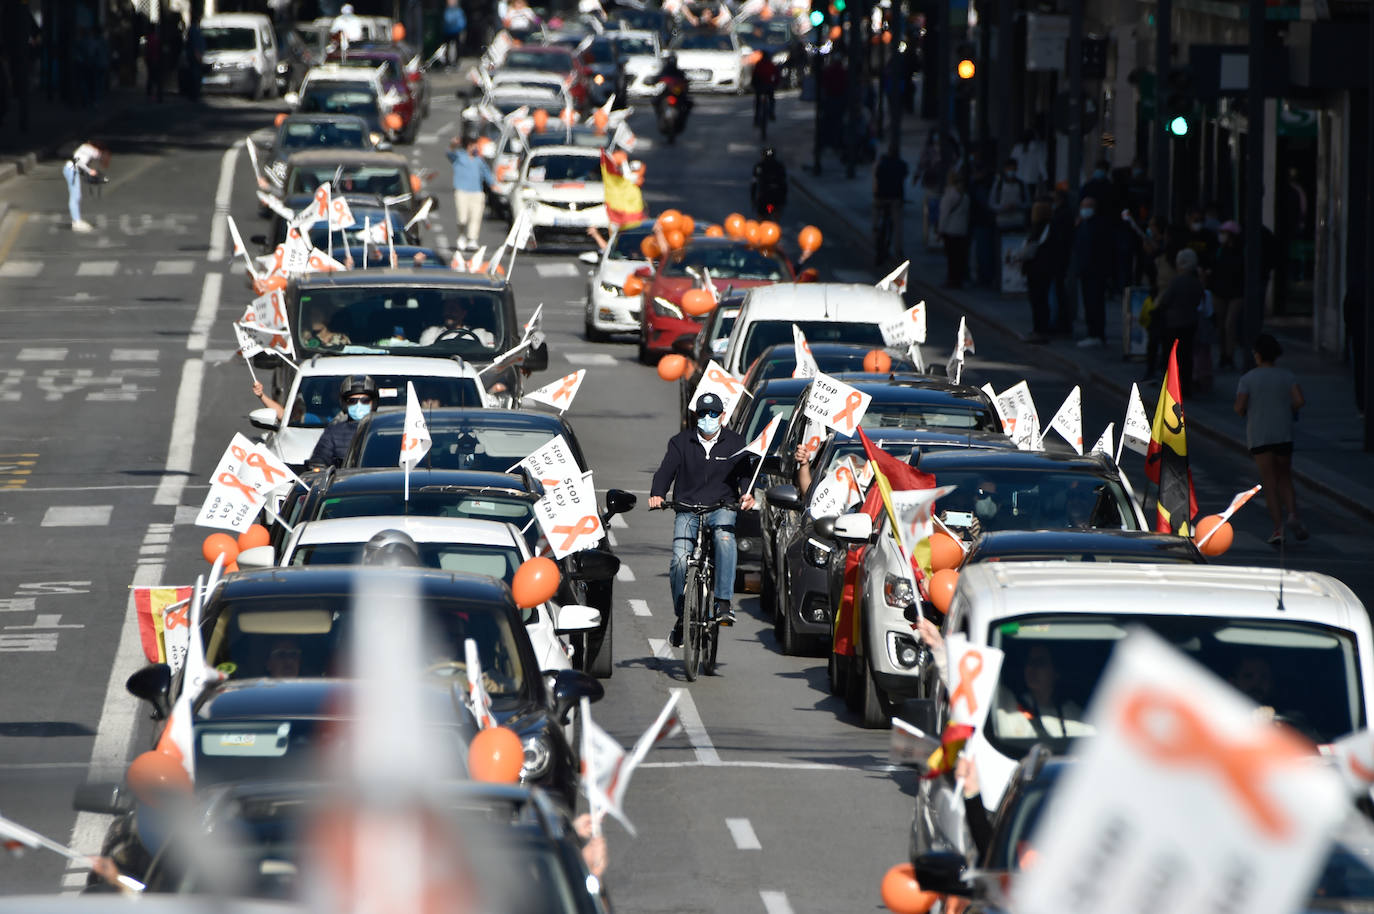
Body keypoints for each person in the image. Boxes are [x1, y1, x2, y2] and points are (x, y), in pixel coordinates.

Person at [648, 392, 757, 644]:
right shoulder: (680, 442)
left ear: (722, 416)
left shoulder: (736, 442)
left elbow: (745, 475)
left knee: (725, 539)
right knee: (679, 561)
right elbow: (665, 470)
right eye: (703, 414)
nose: (707, 418)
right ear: (696, 416)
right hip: (687, 509)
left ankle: (722, 602)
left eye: (713, 414)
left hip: (722, 507)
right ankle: (682, 615)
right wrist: (657, 493)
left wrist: (747, 494)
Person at [1235, 333, 1307, 545]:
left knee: (1269, 482)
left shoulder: (1248, 379)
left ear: (1257, 355)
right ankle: (1293, 514)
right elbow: (1299, 400)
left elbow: (1239, 407)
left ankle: (1278, 529)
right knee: (1285, 476)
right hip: (1283, 433)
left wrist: (1247, 411)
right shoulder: (1287, 376)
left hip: (1260, 436)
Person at [992, 644, 1092, 739]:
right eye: (1029, 662)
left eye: (1040, 663)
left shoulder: (1075, 714)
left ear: (1056, 672)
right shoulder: (1009, 707)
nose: (1032, 668)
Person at [1156, 248, 1204, 396]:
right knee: (1187, 355)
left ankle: (1171, 388)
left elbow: (1166, 300)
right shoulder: (1196, 282)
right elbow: (1198, 300)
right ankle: (1186, 387)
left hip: (1173, 324)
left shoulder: (1176, 281)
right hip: (1190, 322)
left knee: (1172, 356)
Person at [306, 375, 377, 470]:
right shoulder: (333, 433)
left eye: (365, 400)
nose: (359, 405)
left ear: (374, 403)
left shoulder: (385, 430)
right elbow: (319, 460)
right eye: (353, 401)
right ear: (345, 404)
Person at [1071, 196, 1112, 347]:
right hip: (1085, 271)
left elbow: (1100, 249)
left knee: (1095, 303)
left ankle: (1097, 334)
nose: (1085, 209)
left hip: (1096, 271)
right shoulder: (1082, 224)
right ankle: (1092, 332)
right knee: (1089, 303)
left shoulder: (1098, 225)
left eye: (1088, 206)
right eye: (1083, 206)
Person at [447, 133, 494, 251]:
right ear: (469, 146)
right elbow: (449, 153)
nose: (476, 148)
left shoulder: (479, 160)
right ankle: (462, 235)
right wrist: (453, 144)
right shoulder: (459, 156)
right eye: (474, 145)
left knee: (475, 217)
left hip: (477, 192)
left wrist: (493, 184)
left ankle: (472, 240)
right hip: (462, 191)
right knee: (462, 218)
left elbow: (486, 173)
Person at [1018, 200, 1054, 343]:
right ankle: (1039, 329)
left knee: (1038, 300)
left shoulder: (1040, 229)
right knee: (1040, 300)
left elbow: (1030, 248)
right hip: (1041, 268)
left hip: (1038, 269)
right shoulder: (1046, 228)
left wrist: (1018, 256)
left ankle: (1040, 330)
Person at [1210, 220, 1244, 370]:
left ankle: (1229, 355)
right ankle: (1223, 355)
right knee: (1220, 325)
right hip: (1219, 291)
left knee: (1230, 324)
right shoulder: (1219, 250)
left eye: (1224, 233)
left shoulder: (1240, 251)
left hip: (1235, 292)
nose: (1221, 236)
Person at [872, 147, 908, 263]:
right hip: (896, 197)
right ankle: (898, 250)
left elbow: (876, 178)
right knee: (897, 225)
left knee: (876, 219)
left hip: (881, 197)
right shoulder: (901, 165)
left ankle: (875, 237)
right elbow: (904, 177)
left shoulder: (882, 164)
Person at [63, 141, 106, 233]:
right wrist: (89, 170)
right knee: (75, 196)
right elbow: (78, 160)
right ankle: (76, 222)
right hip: (72, 170)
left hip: (70, 169)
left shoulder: (84, 147)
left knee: (76, 195)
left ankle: (76, 220)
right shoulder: (91, 150)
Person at [937, 169, 970, 289]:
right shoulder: (965, 196)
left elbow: (944, 214)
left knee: (951, 257)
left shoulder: (949, 195)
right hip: (962, 230)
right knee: (959, 257)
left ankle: (951, 279)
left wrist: (940, 230)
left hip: (950, 230)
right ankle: (958, 279)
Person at [420, 298, 495, 346]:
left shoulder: (480, 334)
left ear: (463, 313)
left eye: (454, 309)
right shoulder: (432, 333)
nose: (449, 313)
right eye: (447, 308)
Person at [989, 157, 1028, 233]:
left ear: (1016, 169)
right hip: (1002, 222)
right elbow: (991, 204)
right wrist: (1003, 207)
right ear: (1005, 169)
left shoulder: (1022, 185)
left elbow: (1028, 203)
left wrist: (1018, 206)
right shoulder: (998, 185)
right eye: (1009, 169)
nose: (1011, 171)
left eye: (1013, 169)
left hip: (1018, 222)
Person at [751, 146, 787, 217]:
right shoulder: (779, 166)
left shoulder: (759, 166)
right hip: (775, 196)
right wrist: (783, 199)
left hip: (765, 196)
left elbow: (754, 183)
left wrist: (753, 199)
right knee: (775, 214)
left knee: (762, 217)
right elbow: (784, 183)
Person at [750, 53, 778, 125]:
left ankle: (756, 118)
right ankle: (771, 113)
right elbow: (776, 75)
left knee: (758, 103)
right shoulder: (770, 64)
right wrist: (775, 84)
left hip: (760, 86)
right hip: (768, 86)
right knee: (771, 99)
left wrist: (754, 85)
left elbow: (754, 76)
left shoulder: (759, 64)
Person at [442, 0, 467, 67]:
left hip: (456, 31)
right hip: (447, 31)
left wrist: (460, 28)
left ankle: (456, 62)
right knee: (446, 48)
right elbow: (445, 20)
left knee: (457, 47)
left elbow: (462, 21)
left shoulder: (458, 11)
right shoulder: (446, 11)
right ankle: (447, 62)